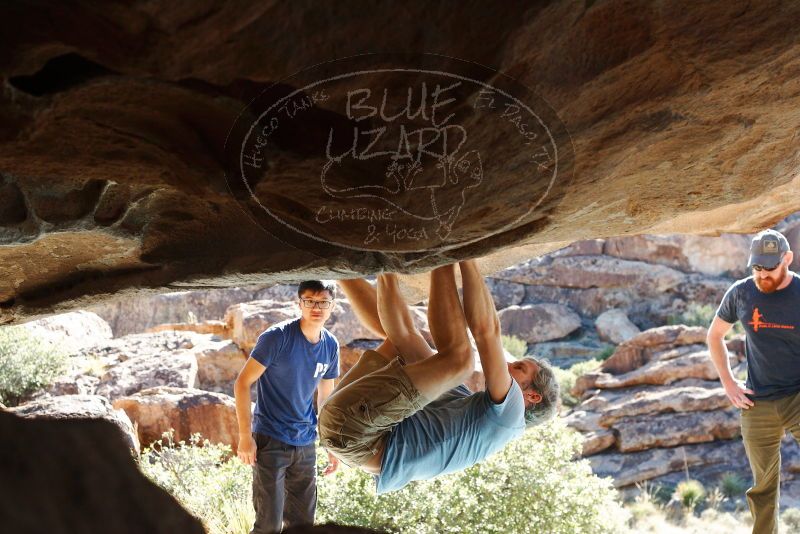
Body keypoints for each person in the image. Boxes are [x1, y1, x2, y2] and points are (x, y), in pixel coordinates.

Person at [318, 260, 559, 494]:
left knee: (461, 363)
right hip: (343, 430)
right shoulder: (461, 406)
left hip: (356, 434)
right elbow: (404, 337)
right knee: (402, 341)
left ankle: (441, 252)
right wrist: (441, 262)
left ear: (532, 396)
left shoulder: (511, 417)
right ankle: (355, 263)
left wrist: (465, 254)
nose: (506, 364)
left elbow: (487, 332)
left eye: (519, 367)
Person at [707, 229, 799, 534]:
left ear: (787, 259)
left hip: (798, 396)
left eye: (769, 268)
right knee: (762, 488)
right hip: (757, 400)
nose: (762, 275)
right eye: (757, 268)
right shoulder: (741, 292)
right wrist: (729, 383)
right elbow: (715, 335)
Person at [234, 281, 341, 534]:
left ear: (332, 306)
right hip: (270, 440)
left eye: (323, 302)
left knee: (303, 526)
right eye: (309, 301)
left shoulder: (330, 345)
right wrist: (244, 437)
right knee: (268, 525)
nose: (317, 307)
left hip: (305, 442)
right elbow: (242, 383)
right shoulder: (277, 337)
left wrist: (330, 443)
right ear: (299, 303)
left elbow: (326, 398)